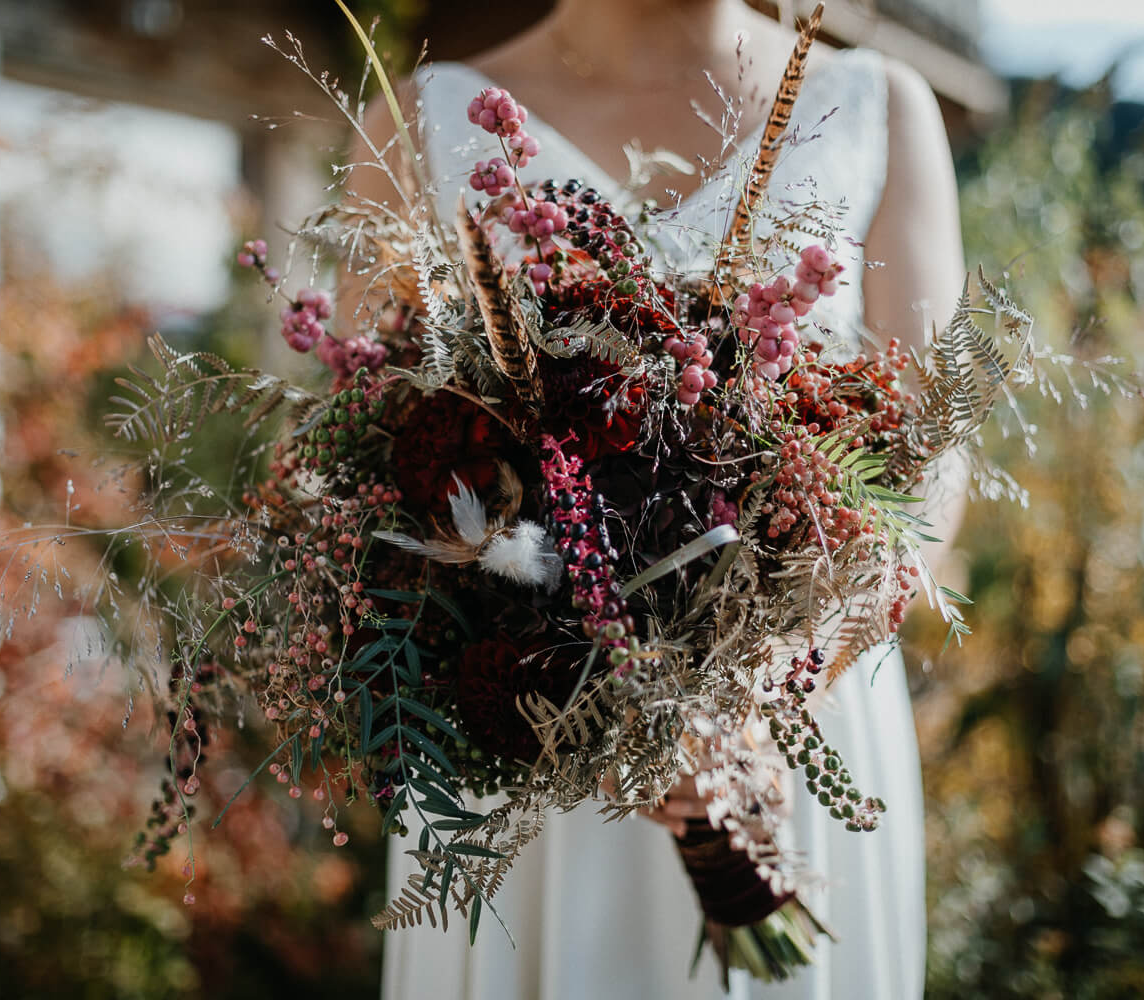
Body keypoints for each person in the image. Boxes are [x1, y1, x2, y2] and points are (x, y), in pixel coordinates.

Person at [346, 1, 965, 996]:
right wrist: (553, 672)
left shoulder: (878, 106)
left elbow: (930, 471)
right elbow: (372, 463)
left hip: (790, 739)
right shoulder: (418, 123)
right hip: (525, 750)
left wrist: (765, 683)